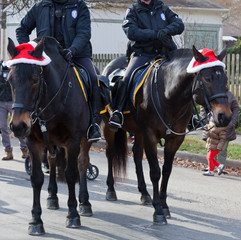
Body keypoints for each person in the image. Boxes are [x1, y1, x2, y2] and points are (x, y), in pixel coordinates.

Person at [15, 0, 101, 142]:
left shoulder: (79, 5)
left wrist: (73, 50)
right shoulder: (39, 6)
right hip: (47, 58)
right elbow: (22, 29)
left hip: (75, 55)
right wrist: (29, 50)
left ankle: (93, 124)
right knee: (30, 81)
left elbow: (84, 33)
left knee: (92, 78)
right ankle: (30, 122)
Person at [109, 0, 184, 129]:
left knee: (183, 77)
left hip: (165, 53)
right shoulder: (132, 11)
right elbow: (131, 32)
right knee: (127, 78)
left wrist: (165, 30)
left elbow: (179, 24)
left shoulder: (163, 8)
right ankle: (118, 112)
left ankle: (191, 116)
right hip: (143, 54)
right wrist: (155, 34)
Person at [201, 89, 239, 174]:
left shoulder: (229, 95)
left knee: (222, 148)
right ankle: (210, 167)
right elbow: (203, 106)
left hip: (226, 126)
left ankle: (220, 167)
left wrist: (232, 123)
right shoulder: (212, 92)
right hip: (212, 126)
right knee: (210, 146)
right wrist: (206, 121)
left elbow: (236, 108)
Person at [0, 61, 28, 160]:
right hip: (1, 102)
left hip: (14, 102)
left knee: (18, 126)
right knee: (3, 127)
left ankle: (24, 149)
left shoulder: (15, 67)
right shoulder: (1, 66)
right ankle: (8, 151)